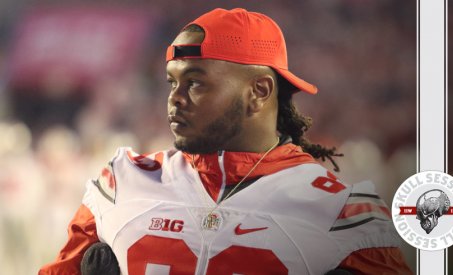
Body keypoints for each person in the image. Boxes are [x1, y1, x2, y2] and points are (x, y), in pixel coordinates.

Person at [39, 8, 412, 275]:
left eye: (196, 82)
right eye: (172, 82)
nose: (175, 98)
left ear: (259, 91)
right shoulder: (122, 182)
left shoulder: (339, 211)